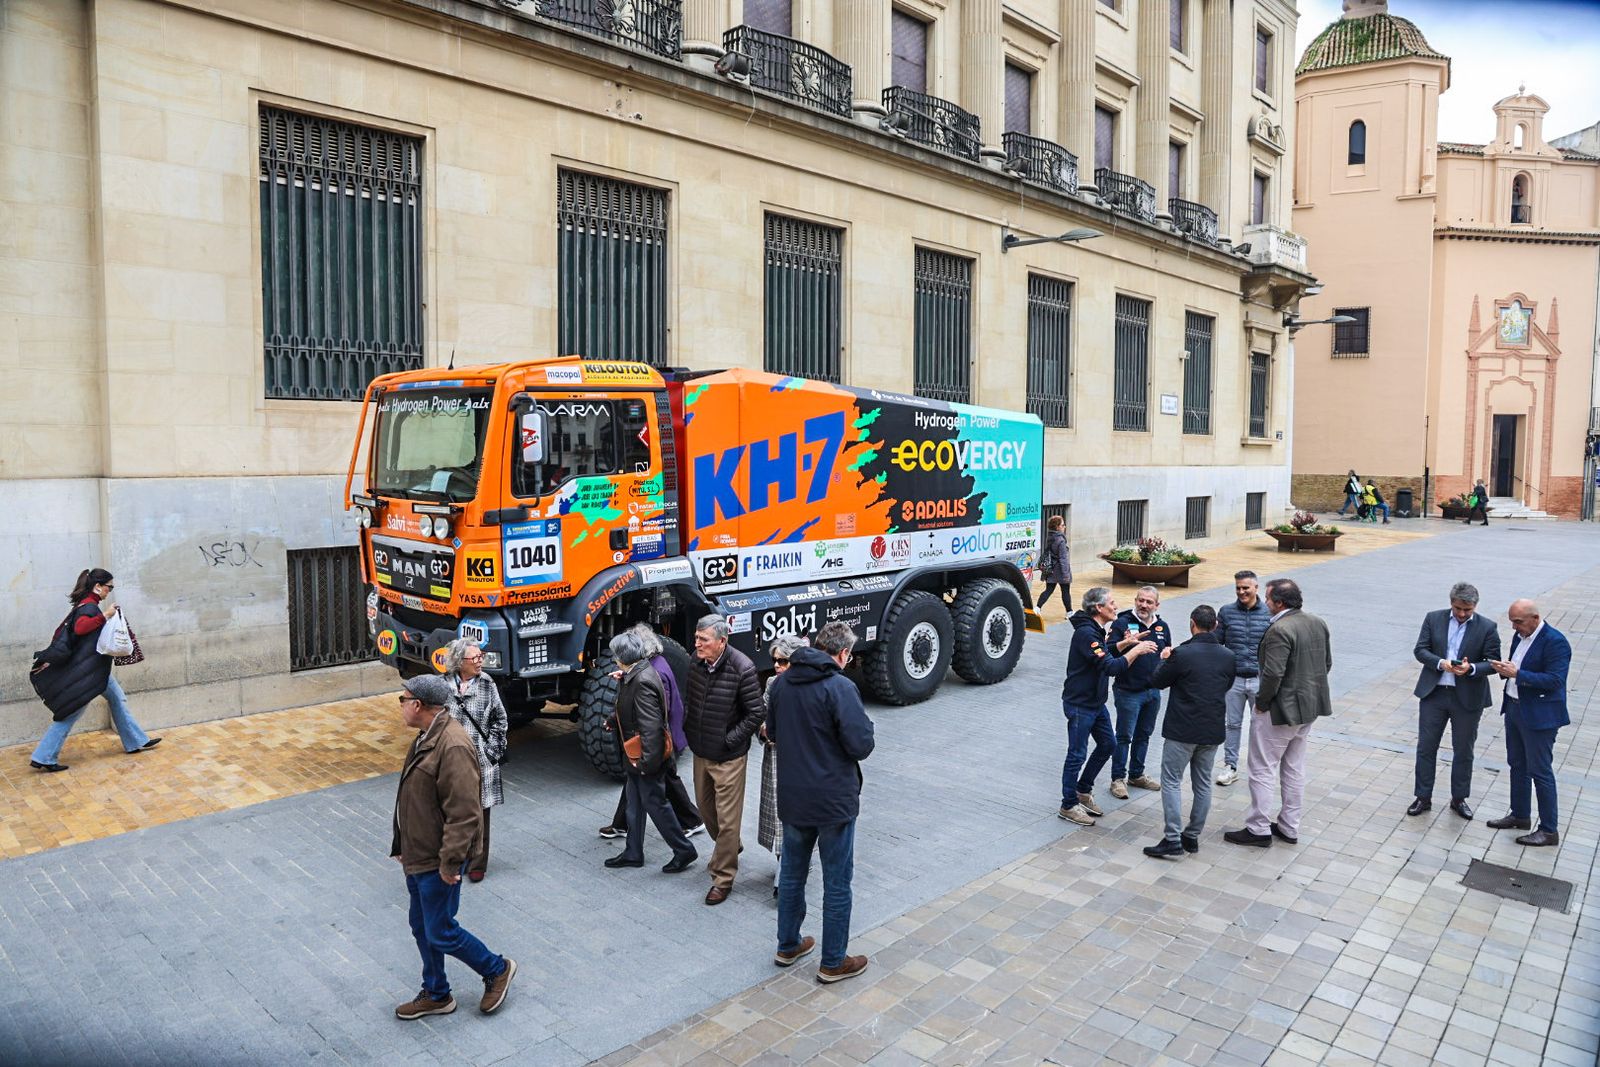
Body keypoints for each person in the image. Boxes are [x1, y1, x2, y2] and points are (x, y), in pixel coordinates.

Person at [390, 674, 515, 1021]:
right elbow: (410, 796)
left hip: (437, 860)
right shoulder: (425, 737)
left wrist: (450, 864)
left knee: (441, 930)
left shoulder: (453, 745)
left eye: (403, 699)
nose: (400, 705)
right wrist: (401, 843)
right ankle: (437, 993)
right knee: (422, 925)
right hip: (418, 855)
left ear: (418, 705)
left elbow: (464, 813)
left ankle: (496, 968)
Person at [768, 621, 875, 984]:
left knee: (794, 875)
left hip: (794, 798)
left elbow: (775, 734)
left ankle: (788, 945)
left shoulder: (781, 683)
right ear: (843, 654)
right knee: (837, 882)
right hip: (833, 802)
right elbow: (861, 744)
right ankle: (833, 961)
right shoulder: (840, 687)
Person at [1224, 579, 1332, 848]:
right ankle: (1288, 826)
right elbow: (1326, 663)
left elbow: (1272, 673)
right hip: (1309, 708)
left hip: (1279, 710)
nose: (1266, 603)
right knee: (1294, 768)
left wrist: (1262, 702)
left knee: (1261, 768)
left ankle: (1258, 828)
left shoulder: (1279, 629)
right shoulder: (1317, 622)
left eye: (1269, 599)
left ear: (1279, 603)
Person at [28, 568, 160, 772]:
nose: (110, 591)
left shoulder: (87, 604)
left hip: (94, 670)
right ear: (97, 587)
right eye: (109, 587)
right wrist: (106, 615)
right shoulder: (89, 607)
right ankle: (44, 756)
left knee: (117, 698)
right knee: (70, 713)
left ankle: (135, 741)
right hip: (86, 674)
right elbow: (81, 628)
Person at [1058, 587, 1159, 826]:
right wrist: (1136, 650)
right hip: (1081, 705)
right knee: (1076, 754)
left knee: (1108, 744)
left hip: (1095, 703)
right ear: (1099, 608)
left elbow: (1104, 655)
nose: (1116, 606)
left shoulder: (1096, 631)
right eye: (1112, 603)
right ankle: (1068, 804)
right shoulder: (1086, 634)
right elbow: (1111, 667)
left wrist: (1124, 644)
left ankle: (1083, 790)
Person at [684, 615, 766, 906]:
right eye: (697, 638)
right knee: (707, 812)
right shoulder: (695, 661)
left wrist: (730, 740)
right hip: (701, 752)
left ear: (722, 641)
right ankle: (731, 847)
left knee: (728, 821)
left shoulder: (742, 668)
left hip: (729, 757)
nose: (697, 645)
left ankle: (723, 878)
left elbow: (756, 713)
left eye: (703, 640)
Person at [603, 630, 699, 872]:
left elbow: (651, 728)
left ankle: (684, 850)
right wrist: (614, 719)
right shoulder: (635, 673)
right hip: (638, 757)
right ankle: (633, 852)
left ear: (622, 657)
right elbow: (630, 708)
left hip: (645, 759)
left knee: (657, 804)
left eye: (615, 656)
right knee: (634, 804)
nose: (614, 660)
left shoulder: (642, 681)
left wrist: (646, 763)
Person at [1144, 605, 1235, 858]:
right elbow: (1226, 685)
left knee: (1172, 781)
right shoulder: (1228, 656)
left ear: (1192, 623)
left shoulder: (1182, 653)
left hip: (1182, 729)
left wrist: (1163, 660)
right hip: (1212, 728)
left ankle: (1172, 838)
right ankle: (1192, 836)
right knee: (1203, 784)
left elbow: (1157, 681)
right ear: (1215, 625)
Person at [1408, 583, 1501, 819]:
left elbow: (1493, 662)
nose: (1462, 614)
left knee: (1464, 750)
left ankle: (1459, 799)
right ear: (1451, 603)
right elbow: (1420, 650)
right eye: (1458, 608)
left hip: (1467, 699)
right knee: (1426, 747)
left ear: (1475, 607)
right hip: (1434, 694)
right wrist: (1441, 663)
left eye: (1467, 610)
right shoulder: (1433, 619)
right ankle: (1423, 797)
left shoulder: (1488, 627)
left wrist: (1471, 669)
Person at [1486, 599, 1570, 846]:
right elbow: (1516, 668)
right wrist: (1504, 670)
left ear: (1535, 618)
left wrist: (1518, 674)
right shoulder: (1520, 636)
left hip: (1539, 717)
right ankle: (1520, 815)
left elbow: (1555, 680)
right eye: (1512, 621)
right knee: (1517, 764)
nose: (1514, 627)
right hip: (1514, 708)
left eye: (1518, 622)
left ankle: (1548, 830)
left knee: (1540, 771)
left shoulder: (1555, 642)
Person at [442, 638, 509, 883]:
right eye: (475, 658)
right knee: (453, 810)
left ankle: (478, 862)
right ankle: (455, 856)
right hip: (451, 760)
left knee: (481, 813)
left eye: (482, 656)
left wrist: (491, 751)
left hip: (481, 758)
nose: (481, 661)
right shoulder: (443, 686)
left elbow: (500, 720)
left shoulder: (487, 684)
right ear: (460, 662)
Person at [1107, 586, 1173, 799]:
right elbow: (1109, 651)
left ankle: (1137, 774)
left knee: (1144, 735)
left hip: (1153, 692)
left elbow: (1167, 652)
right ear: (1135, 601)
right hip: (1128, 691)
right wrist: (1127, 642)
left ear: (1157, 605)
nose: (1144, 605)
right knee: (1124, 736)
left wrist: (1167, 655)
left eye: (1149, 602)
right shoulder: (1122, 623)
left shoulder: (1162, 626)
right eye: (1140, 600)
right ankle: (1117, 779)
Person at [758, 634, 809, 898]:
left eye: (783, 661)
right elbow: (762, 716)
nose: (777, 666)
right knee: (778, 817)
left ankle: (785, 876)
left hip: (800, 762)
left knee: (794, 818)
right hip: (776, 759)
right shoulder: (772, 684)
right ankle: (784, 864)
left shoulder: (810, 687)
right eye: (774, 660)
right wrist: (764, 730)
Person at [1214, 570, 1271, 786]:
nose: (1241, 592)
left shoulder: (1268, 613)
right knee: (1232, 724)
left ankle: (1260, 768)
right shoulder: (1226, 612)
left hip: (1259, 679)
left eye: (1245, 588)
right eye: (1238, 588)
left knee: (1261, 725)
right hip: (1234, 679)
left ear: (1256, 588)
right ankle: (1230, 766)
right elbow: (1216, 642)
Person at [1036, 515, 1072, 613]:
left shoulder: (1050, 538)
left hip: (1051, 570)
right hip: (1060, 570)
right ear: (1057, 527)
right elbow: (1063, 559)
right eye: (1063, 525)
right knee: (1065, 592)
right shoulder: (1060, 541)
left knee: (1048, 590)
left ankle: (1037, 608)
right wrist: (1066, 575)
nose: (1064, 527)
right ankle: (1069, 612)